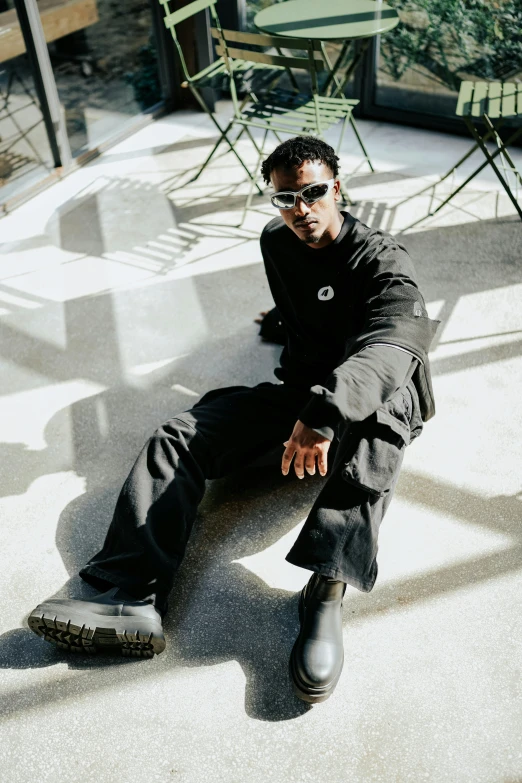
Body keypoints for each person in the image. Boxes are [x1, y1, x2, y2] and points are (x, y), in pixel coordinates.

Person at [28, 136, 439, 704]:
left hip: (369, 395)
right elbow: (305, 300)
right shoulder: (277, 239)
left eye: (314, 193)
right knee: (180, 435)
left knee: (379, 432)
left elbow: (397, 343)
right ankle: (128, 594)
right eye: (286, 197)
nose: (301, 209)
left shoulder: (382, 261)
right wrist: (282, 322)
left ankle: (325, 591)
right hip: (300, 391)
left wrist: (323, 415)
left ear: (337, 189)